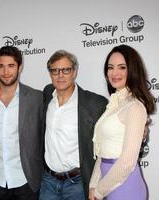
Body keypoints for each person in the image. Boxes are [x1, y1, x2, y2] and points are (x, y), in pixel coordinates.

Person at [89, 44, 156, 200]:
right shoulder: (114, 103)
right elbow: (103, 151)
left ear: (132, 70)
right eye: (110, 67)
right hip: (107, 184)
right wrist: (93, 185)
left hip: (125, 187)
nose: (114, 73)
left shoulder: (135, 106)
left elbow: (127, 162)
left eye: (122, 67)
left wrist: (98, 191)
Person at [39, 50, 108, 200]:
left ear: (74, 72)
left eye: (66, 70)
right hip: (48, 182)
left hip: (77, 183)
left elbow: (112, 133)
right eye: (55, 70)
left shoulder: (94, 103)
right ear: (50, 74)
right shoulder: (47, 94)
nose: (60, 75)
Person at [0, 46, 43, 200]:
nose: (6, 72)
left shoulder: (36, 98)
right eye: (1, 66)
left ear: (20, 67)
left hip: (26, 180)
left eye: (11, 66)